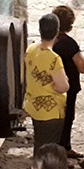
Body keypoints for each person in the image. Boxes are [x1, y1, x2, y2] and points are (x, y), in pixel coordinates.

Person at [24, 13, 70, 155]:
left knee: (39, 144)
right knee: (48, 151)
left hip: (34, 105)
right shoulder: (54, 59)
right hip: (51, 110)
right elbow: (63, 86)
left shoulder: (31, 49)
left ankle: (36, 167)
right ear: (57, 32)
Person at [51, 5, 84, 159]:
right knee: (67, 118)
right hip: (68, 86)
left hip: (51, 86)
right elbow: (82, 67)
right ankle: (63, 149)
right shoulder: (69, 43)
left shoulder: (49, 41)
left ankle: (57, 148)